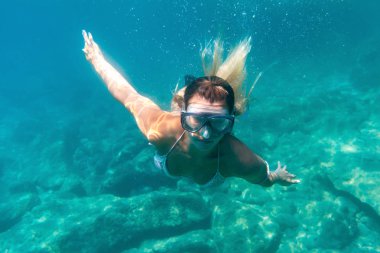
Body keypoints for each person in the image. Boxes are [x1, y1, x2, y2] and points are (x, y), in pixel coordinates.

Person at [82, 30, 300, 188]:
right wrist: (97, 60)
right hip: (182, 105)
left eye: (218, 122)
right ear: (183, 115)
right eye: (196, 120)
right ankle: (190, 95)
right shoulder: (160, 129)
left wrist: (276, 176)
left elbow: (265, 179)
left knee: (205, 104)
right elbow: (129, 95)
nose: (205, 133)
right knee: (183, 98)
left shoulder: (241, 159)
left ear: (230, 122)